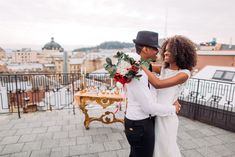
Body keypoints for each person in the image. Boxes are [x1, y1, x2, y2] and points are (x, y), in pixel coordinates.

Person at [124, 31, 181, 157]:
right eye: (155, 48)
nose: (158, 51)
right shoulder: (136, 71)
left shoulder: (144, 66)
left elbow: (154, 89)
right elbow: (148, 107)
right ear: (145, 49)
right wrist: (173, 109)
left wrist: (174, 97)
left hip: (140, 122)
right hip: (140, 124)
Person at [141, 35, 197, 157]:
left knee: (165, 150)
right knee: (156, 149)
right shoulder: (163, 69)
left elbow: (158, 84)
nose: (165, 52)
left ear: (179, 53)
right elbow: (145, 62)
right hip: (156, 113)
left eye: (169, 50)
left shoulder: (184, 73)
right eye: (165, 49)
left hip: (167, 118)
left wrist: (142, 67)